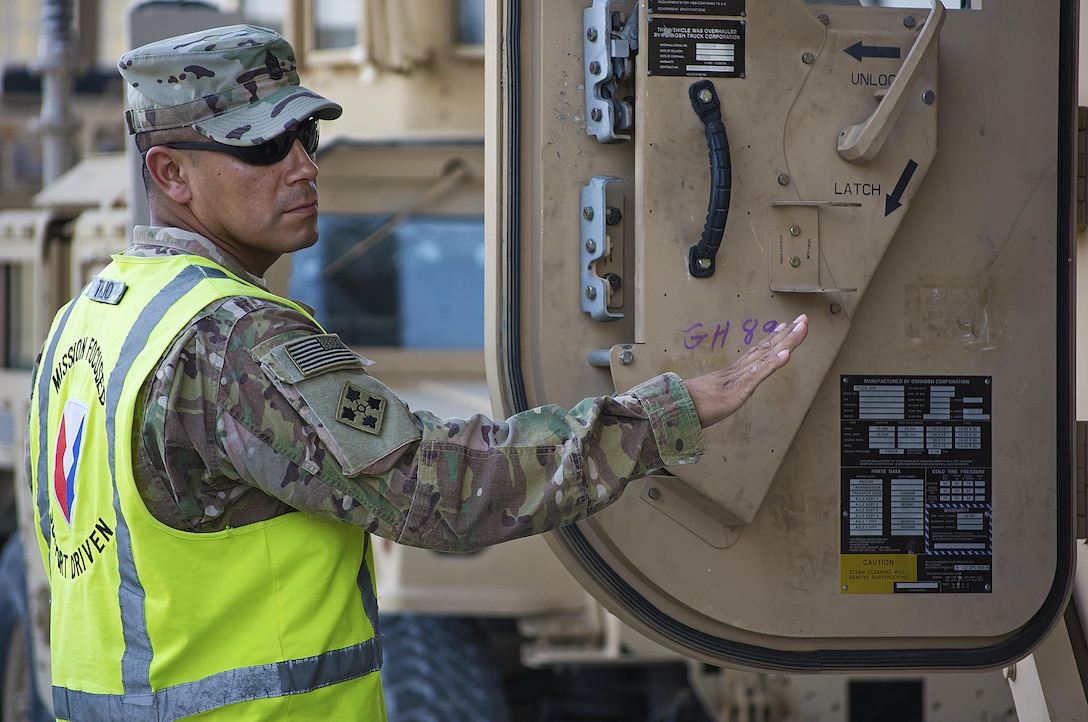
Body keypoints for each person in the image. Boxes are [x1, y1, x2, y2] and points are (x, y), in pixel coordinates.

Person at [26, 24, 808, 722]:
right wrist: (666, 413)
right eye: (263, 147)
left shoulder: (90, 322)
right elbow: (438, 490)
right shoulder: (231, 340)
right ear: (170, 174)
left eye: (306, 137)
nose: (301, 166)